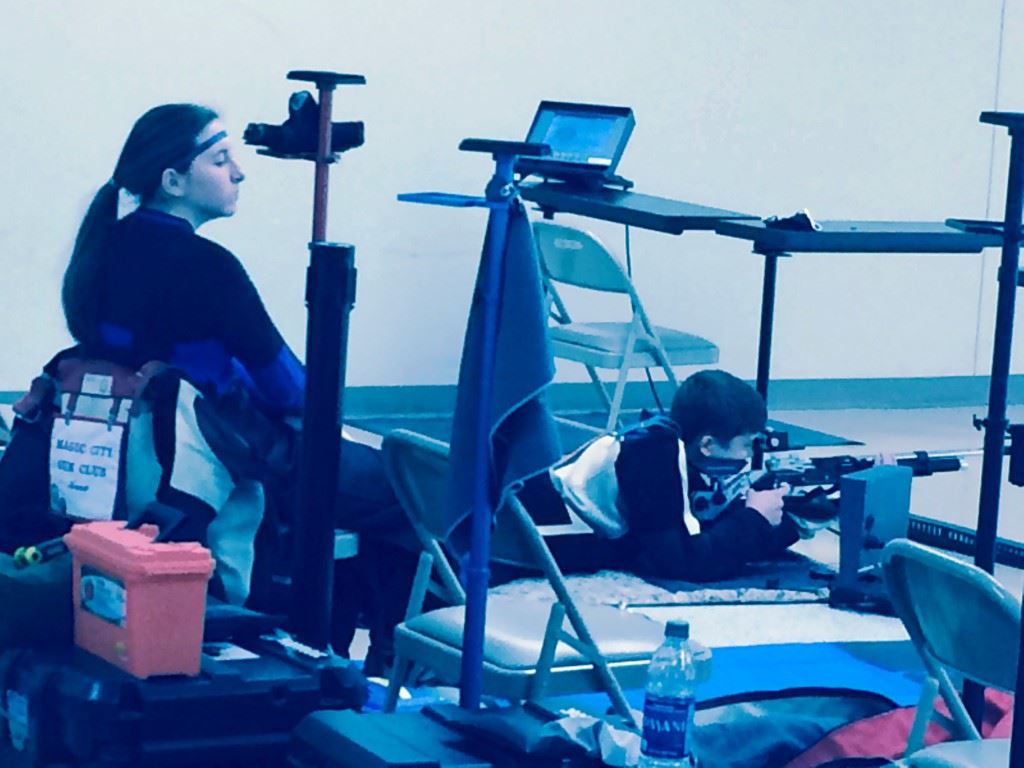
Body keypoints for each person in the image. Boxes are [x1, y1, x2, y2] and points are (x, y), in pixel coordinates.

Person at [0, 104, 415, 670]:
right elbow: (294, 393)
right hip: (200, 451)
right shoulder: (208, 266)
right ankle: (393, 662)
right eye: (221, 160)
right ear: (172, 181)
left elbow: (153, 348)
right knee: (411, 488)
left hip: (120, 448)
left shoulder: (103, 248)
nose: (239, 173)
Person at [516, 369, 800, 583]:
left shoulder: (665, 444)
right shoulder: (653, 454)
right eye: (747, 443)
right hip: (530, 538)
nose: (748, 456)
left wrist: (788, 523)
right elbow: (679, 564)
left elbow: (704, 533)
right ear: (708, 445)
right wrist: (755, 519)